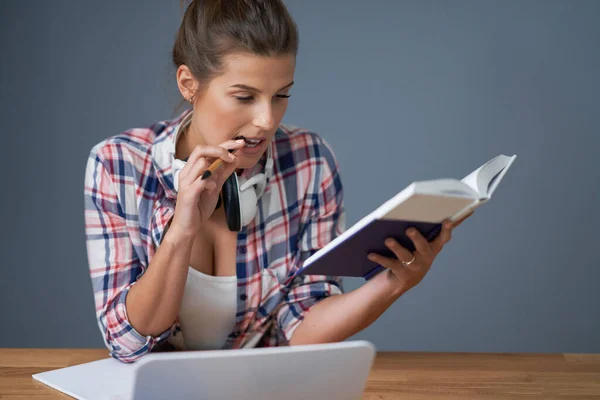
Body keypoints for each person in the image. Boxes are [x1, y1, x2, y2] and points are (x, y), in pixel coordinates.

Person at [84, 0, 470, 363]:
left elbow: (301, 326)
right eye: (244, 96)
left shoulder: (309, 161)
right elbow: (127, 342)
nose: (267, 120)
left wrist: (392, 284)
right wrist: (180, 232)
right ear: (188, 83)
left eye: (281, 95)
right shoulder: (118, 165)